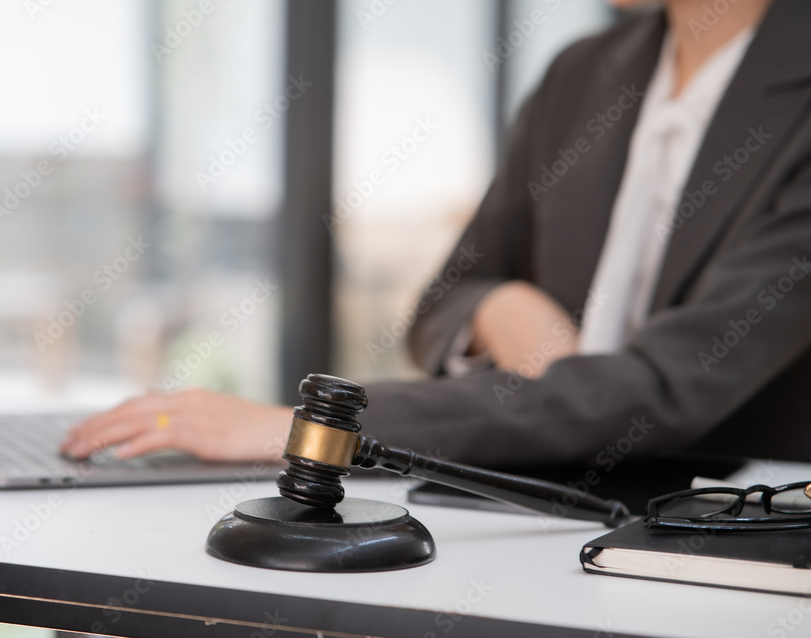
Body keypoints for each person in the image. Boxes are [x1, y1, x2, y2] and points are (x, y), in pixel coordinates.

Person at [62, 0, 811, 468]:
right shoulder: (584, 74)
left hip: (724, 546)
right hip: (526, 504)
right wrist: (497, 309)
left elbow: (664, 390)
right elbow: (443, 304)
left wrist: (318, 429)